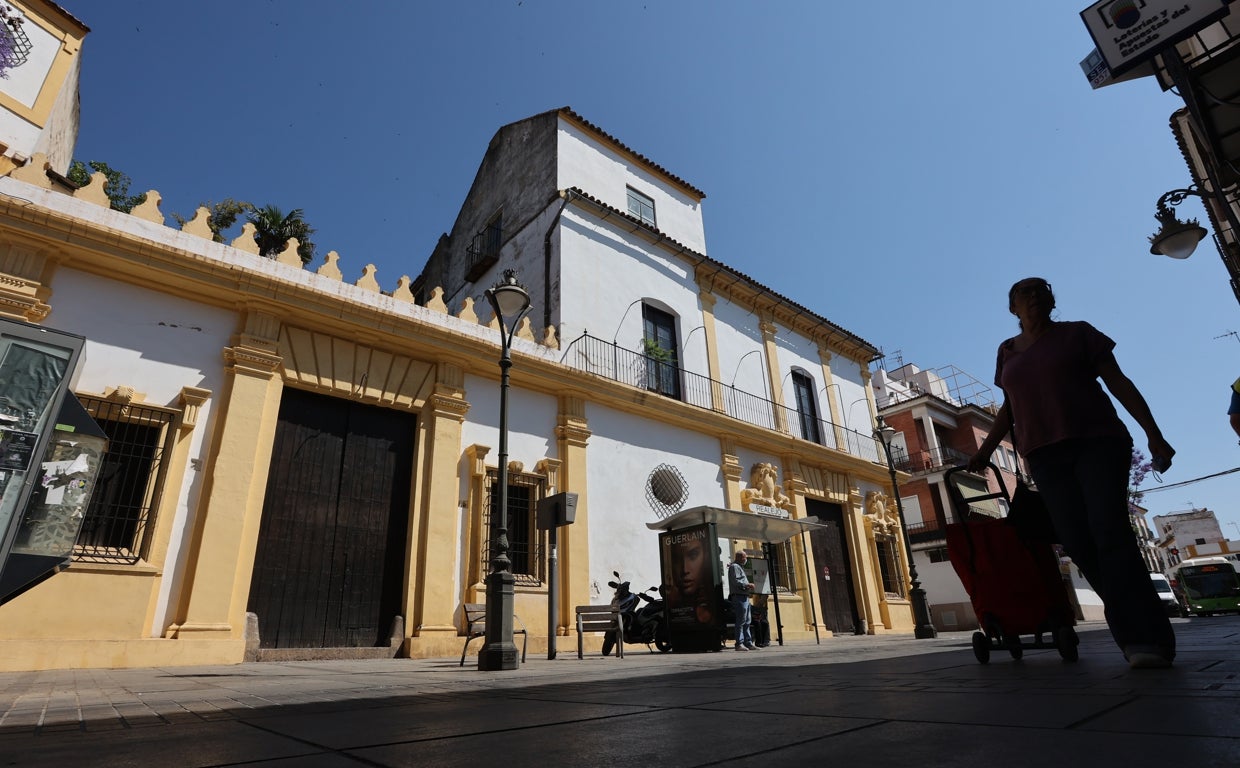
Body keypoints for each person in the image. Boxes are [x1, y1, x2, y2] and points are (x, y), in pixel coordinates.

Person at [967, 277, 1177, 670]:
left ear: (1051, 300)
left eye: (1041, 290)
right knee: (1077, 542)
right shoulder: (1007, 351)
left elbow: (1118, 382)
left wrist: (1154, 434)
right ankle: (1138, 623)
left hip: (1096, 443)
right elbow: (1010, 406)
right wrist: (984, 451)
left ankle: (1144, 639)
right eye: (1025, 291)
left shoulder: (1078, 334)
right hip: (1043, 455)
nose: (1034, 295)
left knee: (1109, 532)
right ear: (1012, 307)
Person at [727, 550, 757, 651]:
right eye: (745, 557)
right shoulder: (735, 567)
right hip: (739, 597)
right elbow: (736, 581)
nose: (746, 559)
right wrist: (747, 585)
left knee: (747, 620)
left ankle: (748, 643)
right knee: (741, 621)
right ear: (740, 557)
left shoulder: (739, 567)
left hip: (744, 597)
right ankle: (739, 644)